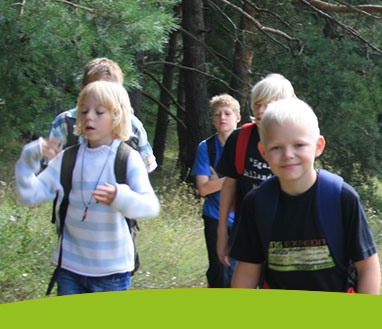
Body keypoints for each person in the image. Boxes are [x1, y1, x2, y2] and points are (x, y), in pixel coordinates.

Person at [17, 81, 160, 295]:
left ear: (117, 116)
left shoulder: (127, 158)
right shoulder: (68, 158)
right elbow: (29, 196)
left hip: (113, 273)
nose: (88, 117)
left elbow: (150, 206)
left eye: (99, 112)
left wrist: (120, 197)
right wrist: (29, 157)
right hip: (70, 269)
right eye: (83, 111)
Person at [229, 98, 380, 293]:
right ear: (263, 152)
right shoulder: (257, 203)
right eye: (276, 147)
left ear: (318, 146)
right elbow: (249, 268)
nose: (288, 154)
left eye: (299, 145)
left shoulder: (342, 198)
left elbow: (367, 267)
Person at [216, 74, 296, 270]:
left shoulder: (296, 141)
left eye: (268, 104)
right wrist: (222, 231)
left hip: (286, 238)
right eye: (257, 104)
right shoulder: (239, 138)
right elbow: (230, 184)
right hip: (245, 236)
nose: (260, 110)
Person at [44, 58, 156, 173]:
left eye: (110, 93)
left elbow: (145, 170)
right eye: (96, 91)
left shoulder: (132, 125)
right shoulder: (65, 123)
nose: (89, 117)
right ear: (83, 90)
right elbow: (49, 169)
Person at [192, 94, 241, 288]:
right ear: (212, 119)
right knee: (217, 271)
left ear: (238, 117)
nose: (222, 118)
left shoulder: (247, 146)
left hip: (241, 218)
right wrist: (233, 177)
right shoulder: (207, 147)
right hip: (214, 216)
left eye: (227, 113)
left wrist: (218, 180)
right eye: (217, 114)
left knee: (239, 271)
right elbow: (203, 188)